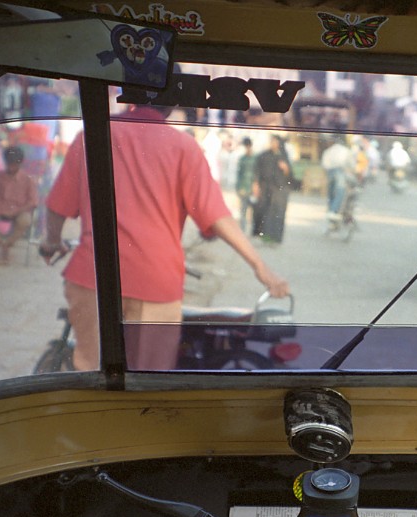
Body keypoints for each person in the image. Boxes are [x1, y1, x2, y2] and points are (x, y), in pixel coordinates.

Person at [40, 104, 289, 371]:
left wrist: (52, 241)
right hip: (154, 282)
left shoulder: (91, 135)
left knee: (91, 372)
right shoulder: (183, 147)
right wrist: (261, 268)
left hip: (93, 277)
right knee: (148, 378)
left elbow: (57, 207)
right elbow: (217, 217)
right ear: (171, 105)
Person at [0, 146, 38, 265]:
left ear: (20, 164)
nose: (11, 167)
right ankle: (1, 244)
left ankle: (7, 245)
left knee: (25, 220)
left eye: (14, 165)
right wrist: (0, 208)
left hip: (20, 211)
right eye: (9, 164)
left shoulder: (28, 180)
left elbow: (33, 201)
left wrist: (17, 211)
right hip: (1, 209)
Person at [252, 135, 292, 244]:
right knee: (263, 211)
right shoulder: (264, 155)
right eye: (272, 141)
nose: (273, 144)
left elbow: (290, 176)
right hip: (265, 188)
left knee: (278, 213)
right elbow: (257, 171)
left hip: (279, 190)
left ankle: (275, 239)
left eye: (275, 142)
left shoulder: (284, 157)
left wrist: (286, 168)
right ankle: (262, 236)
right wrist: (255, 185)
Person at [320, 136, 355, 222]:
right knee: (340, 191)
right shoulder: (346, 150)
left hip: (330, 172)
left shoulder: (328, 150)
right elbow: (351, 165)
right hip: (340, 171)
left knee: (331, 193)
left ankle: (330, 211)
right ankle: (334, 211)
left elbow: (324, 164)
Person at [235, 137, 256, 232]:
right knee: (243, 211)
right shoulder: (242, 159)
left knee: (254, 212)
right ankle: (242, 231)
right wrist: (239, 188)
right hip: (243, 189)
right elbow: (239, 175)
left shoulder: (256, 159)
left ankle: (253, 231)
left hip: (253, 190)